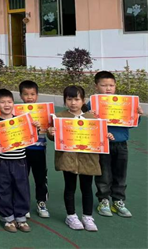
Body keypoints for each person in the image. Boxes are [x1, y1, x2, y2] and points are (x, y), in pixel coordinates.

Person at [47, 86, 114, 232]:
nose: (73, 103)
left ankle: (87, 217)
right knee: (70, 188)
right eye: (69, 99)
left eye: (77, 99)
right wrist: (51, 132)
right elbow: (53, 137)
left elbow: (99, 136)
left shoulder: (93, 119)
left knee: (87, 188)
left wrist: (106, 136)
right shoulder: (59, 117)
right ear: (65, 100)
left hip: (88, 160)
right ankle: (71, 216)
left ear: (83, 101)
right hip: (68, 159)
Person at [0, 89, 40, 233]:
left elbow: (31, 138)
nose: (6, 105)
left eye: (9, 102)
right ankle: (7, 218)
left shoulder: (22, 122)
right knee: (3, 189)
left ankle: (21, 217)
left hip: (20, 161)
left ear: (13, 103)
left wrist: (35, 128)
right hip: (1, 162)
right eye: (2, 102)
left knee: (21, 188)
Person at [92, 71, 143, 218]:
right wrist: (90, 115)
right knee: (104, 174)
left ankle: (118, 201)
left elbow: (131, 124)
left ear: (115, 86)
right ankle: (103, 200)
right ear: (96, 86)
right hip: (102, 144)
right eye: (104, 85)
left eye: (111, 85)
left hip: (121, 144)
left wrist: (137, 115)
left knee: (120, 174)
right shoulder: (93, 103)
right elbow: (88, 124)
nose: (108, 88)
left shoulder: (124, 103)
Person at [19, 80, 50, 218]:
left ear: (37, 95)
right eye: (26, 94)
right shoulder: (16, 111)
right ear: (21, 96)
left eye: (32, 94)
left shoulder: (44, 111)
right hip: (22, 150)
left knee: (40, 178)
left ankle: (41, 202)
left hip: (39, 150)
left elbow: (50, 129)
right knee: (22, 178)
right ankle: (23, 204)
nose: (29, 97)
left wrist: (48, 127)